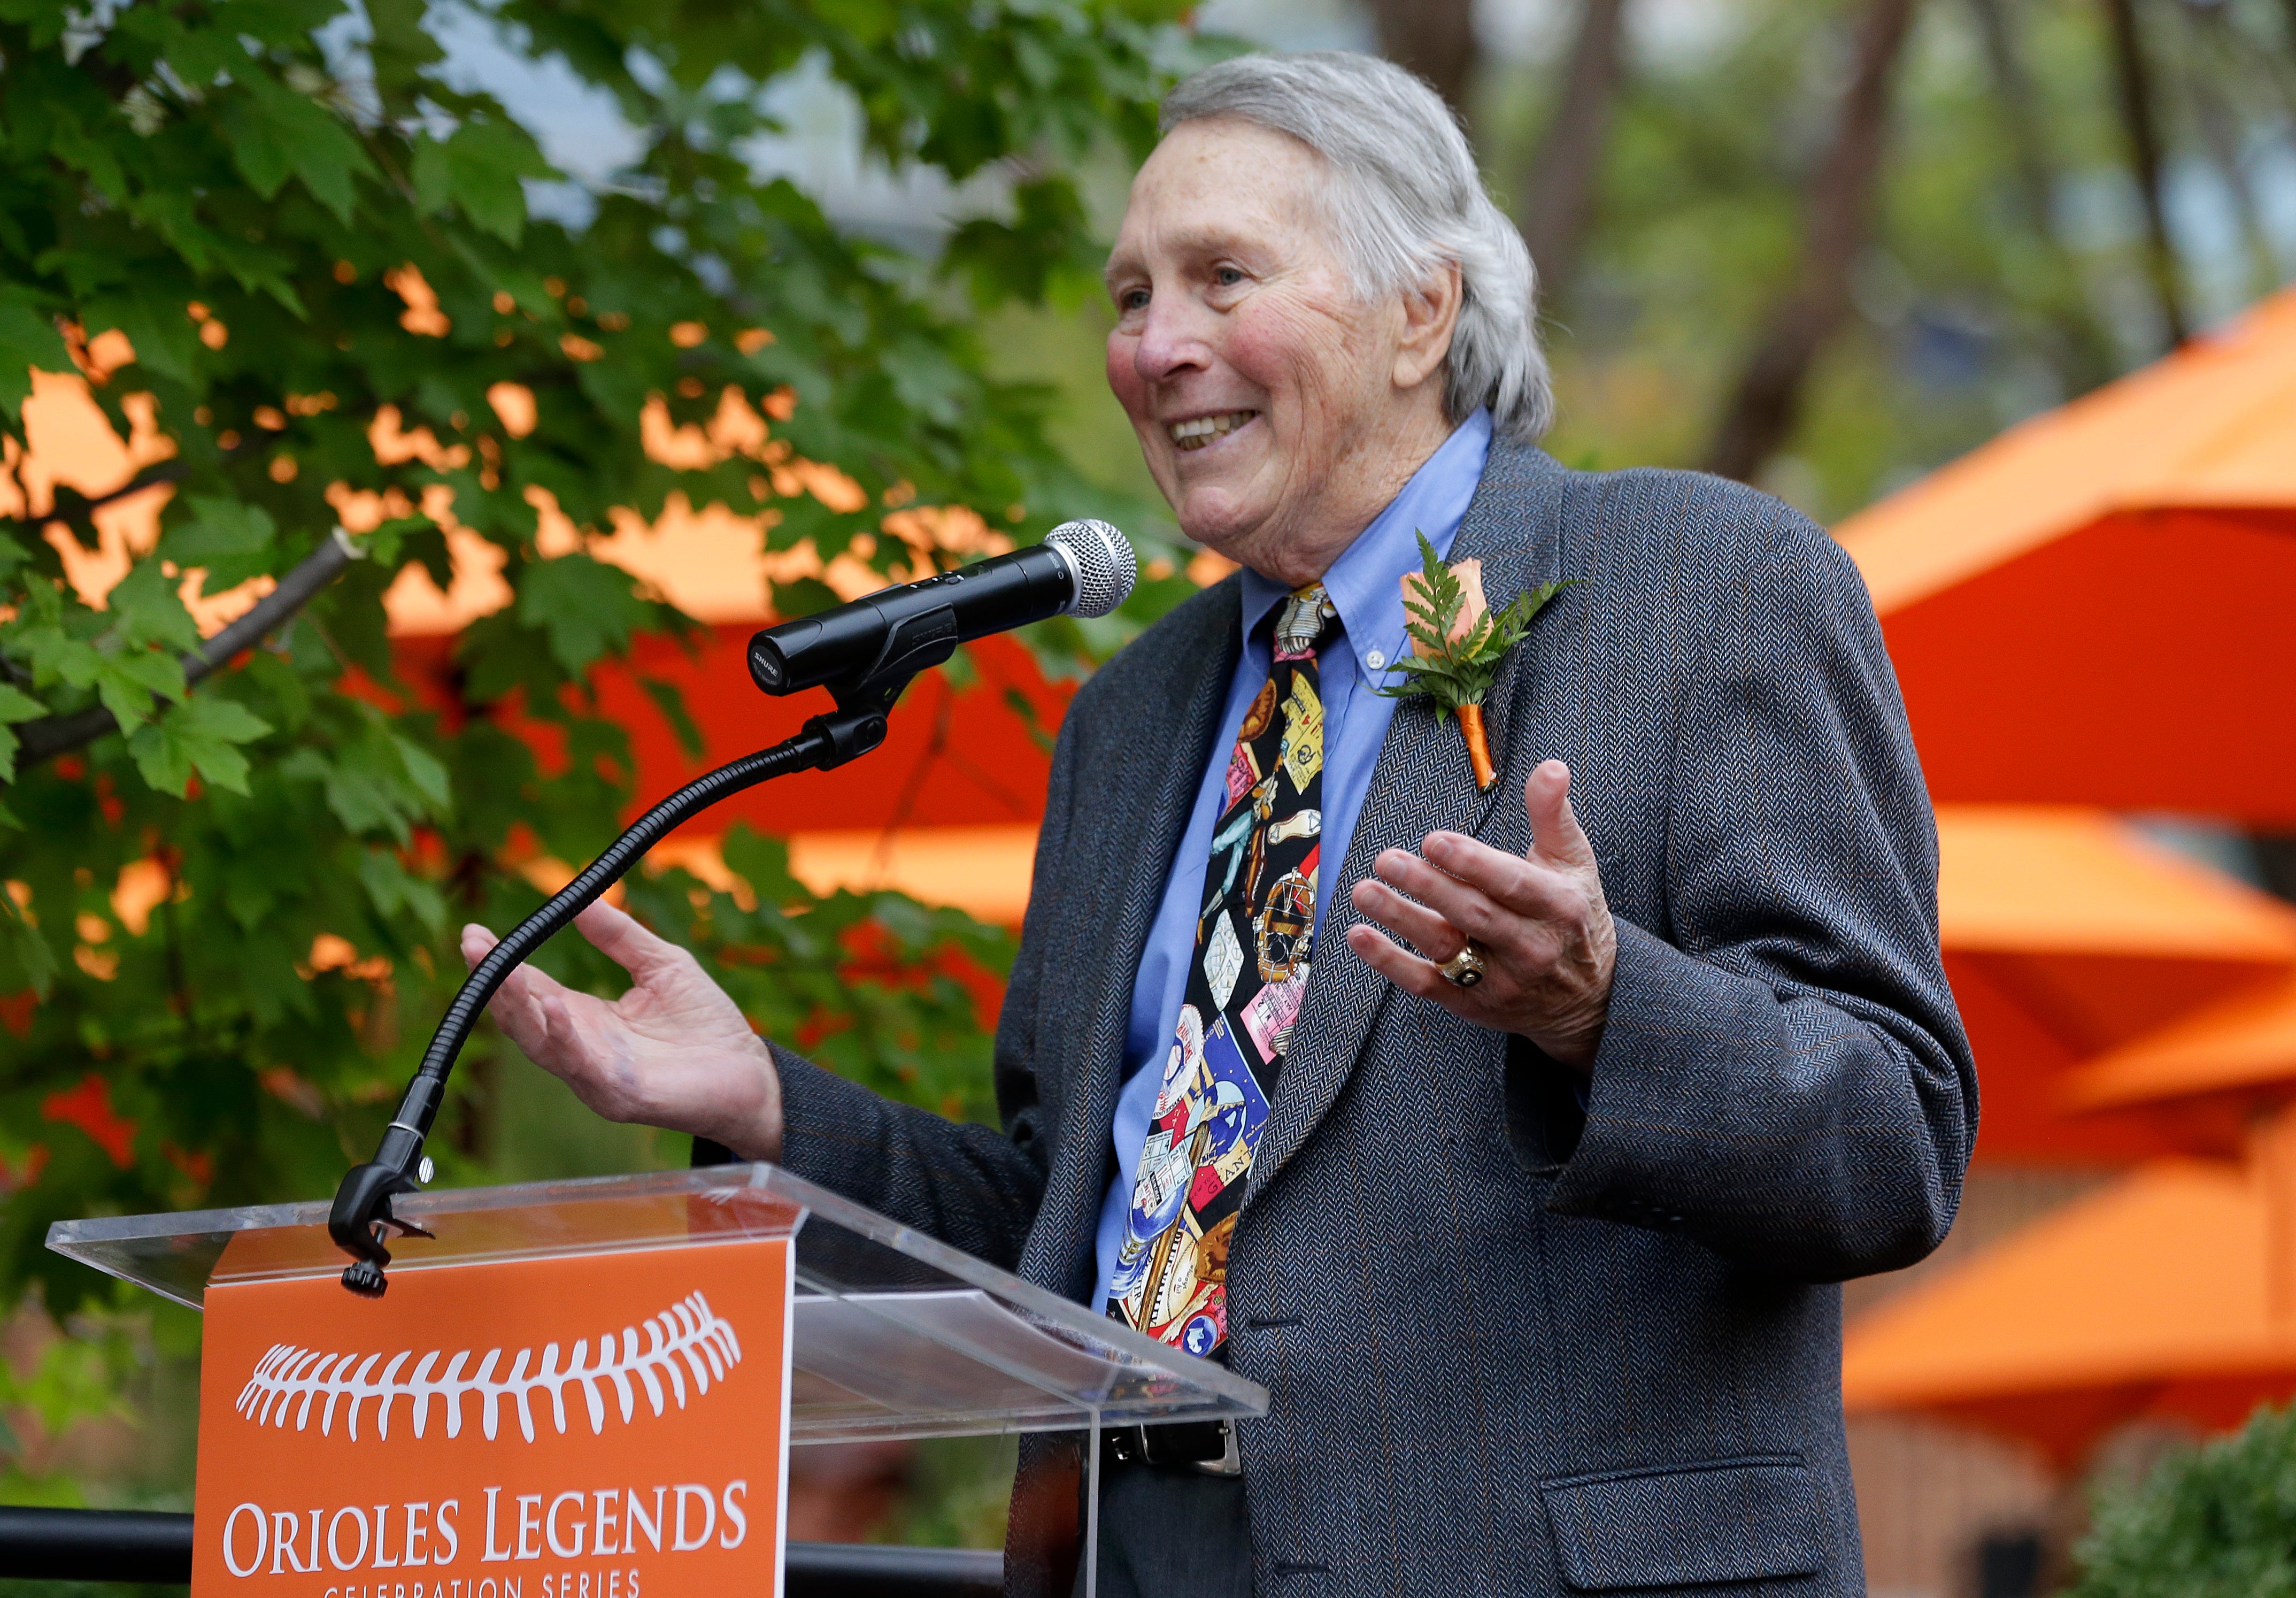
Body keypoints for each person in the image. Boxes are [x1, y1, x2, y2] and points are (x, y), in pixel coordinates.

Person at [461, 51, 1975, 1598]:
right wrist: (773, 1107)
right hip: (1136, 1552)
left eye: (1221, 276)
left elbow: (1896, 1136)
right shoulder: (1135, 713)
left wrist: (1608, 1011)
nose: (1157, 347)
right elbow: (1080, 1218)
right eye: (1130, 296)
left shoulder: (1701, 579)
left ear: (1421, 312)